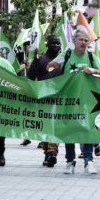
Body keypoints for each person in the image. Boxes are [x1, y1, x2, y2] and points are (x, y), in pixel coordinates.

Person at [60, 27, 100, 175]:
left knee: (87, 131)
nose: (84, 42)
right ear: (74, 41)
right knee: (69, 131)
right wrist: (51, 65)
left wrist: (93, 70)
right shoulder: (66, 55)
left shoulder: (91, 57)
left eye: (86, 40)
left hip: (87, 102)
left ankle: (89, 161)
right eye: (81, 40)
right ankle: (70, 162)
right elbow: (51, 65)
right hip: (68, 102)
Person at [27, 35, 63, 167]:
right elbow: (30, 77)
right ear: (47, 44)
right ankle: (47, 152)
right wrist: (35, 62)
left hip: (58, 100)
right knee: (46, 127)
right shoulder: (41, 59)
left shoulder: (63, 60)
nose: (56, 46)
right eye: (53, 43)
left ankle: (52, 153)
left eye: (58, 44)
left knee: (54, 127)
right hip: (43, 99)